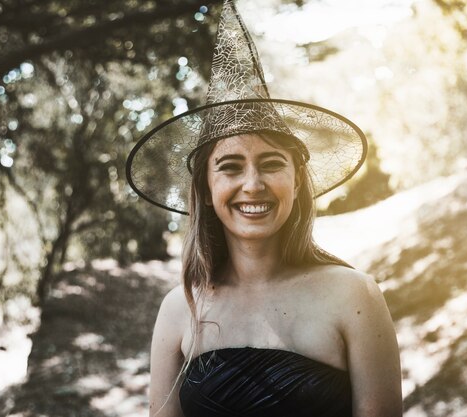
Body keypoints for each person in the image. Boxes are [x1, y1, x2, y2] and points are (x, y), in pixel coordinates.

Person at [126, 2, 402, 416]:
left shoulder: (355, 296)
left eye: (271, 164)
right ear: (205, 187)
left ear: (295, 180)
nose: (252, 184)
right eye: (231, 167)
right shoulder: (180, 309)